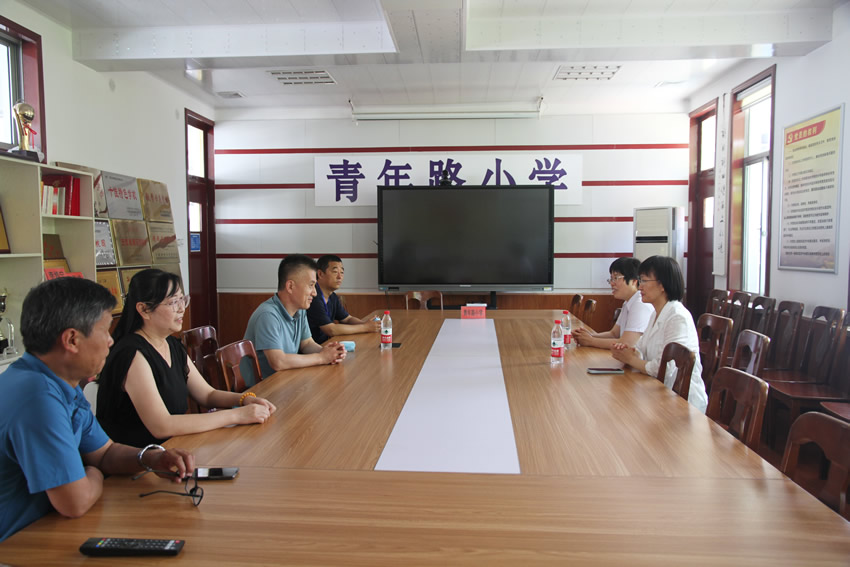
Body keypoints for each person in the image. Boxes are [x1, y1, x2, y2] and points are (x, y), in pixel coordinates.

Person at [0, 278, 195, 542]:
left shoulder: (58, 382)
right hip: (18, 546)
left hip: (51, 530)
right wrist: (93, 473)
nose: (111, 341)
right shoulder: (38, 398)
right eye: (104, 331)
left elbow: (105, 453)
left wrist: (151, 458)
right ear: (72, 339)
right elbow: (76, 501)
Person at [97, 269, 275, 447]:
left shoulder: (172, 345)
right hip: (139, 457)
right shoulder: (131, 354)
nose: (182, 308)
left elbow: (207, 394)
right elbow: (162, 425)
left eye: (182, 299)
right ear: (144, 309)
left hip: (173, 447)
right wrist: (237, 415)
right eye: (173, 302)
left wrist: (244, 399)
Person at [610, 256, 707, 413]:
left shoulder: (677, 317)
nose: (640, 286)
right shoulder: (656, 313)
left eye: (644, 281)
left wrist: (630, 359)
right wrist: (630, 351)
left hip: (682, 403)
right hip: (658, 393)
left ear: (662, 285)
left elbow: (663, 368)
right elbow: (641, 347)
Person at [243, 254, 346, 383]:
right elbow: (278, 362)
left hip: (285, 380)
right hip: (260, 389)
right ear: (290, 286)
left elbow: (307, 344)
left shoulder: (300, 310)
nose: (314, 293)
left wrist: (329, 352)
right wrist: (321, 358)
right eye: (311, 285)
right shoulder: (267, 315)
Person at [573, 257, 653, 349]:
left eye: (616, 278)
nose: (612, 283)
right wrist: (589, 336)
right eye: (611, 279)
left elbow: (627, 343)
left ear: (634, 281)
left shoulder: (640, 304)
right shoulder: (628, 302)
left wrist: (590, 341)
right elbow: (614, 334)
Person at [307, 254, 380, 344]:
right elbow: (331, 329)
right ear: (320, 274)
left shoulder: (332, 296)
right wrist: (365, 327)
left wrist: (367, 324)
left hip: (326, 344)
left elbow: (347, 319)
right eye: (335, 272)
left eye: (342, 272)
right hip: (314, 348)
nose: (339, 277)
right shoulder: (313, 297)